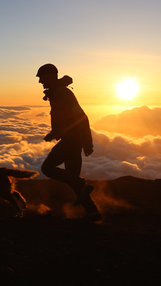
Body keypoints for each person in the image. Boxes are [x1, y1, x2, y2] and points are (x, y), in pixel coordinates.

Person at [36, 63, 102, 222]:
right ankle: (93, 212)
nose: (40, 82)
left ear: (51, 76)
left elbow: (81, 118)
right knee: (73, 178)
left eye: (42, 77)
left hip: (72, 141)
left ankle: (83, 187)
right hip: (73, 139)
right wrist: (55, 133)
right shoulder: (57, 93)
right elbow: (66, 119)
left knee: (47, 168)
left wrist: (88, 143)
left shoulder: (61, 93)